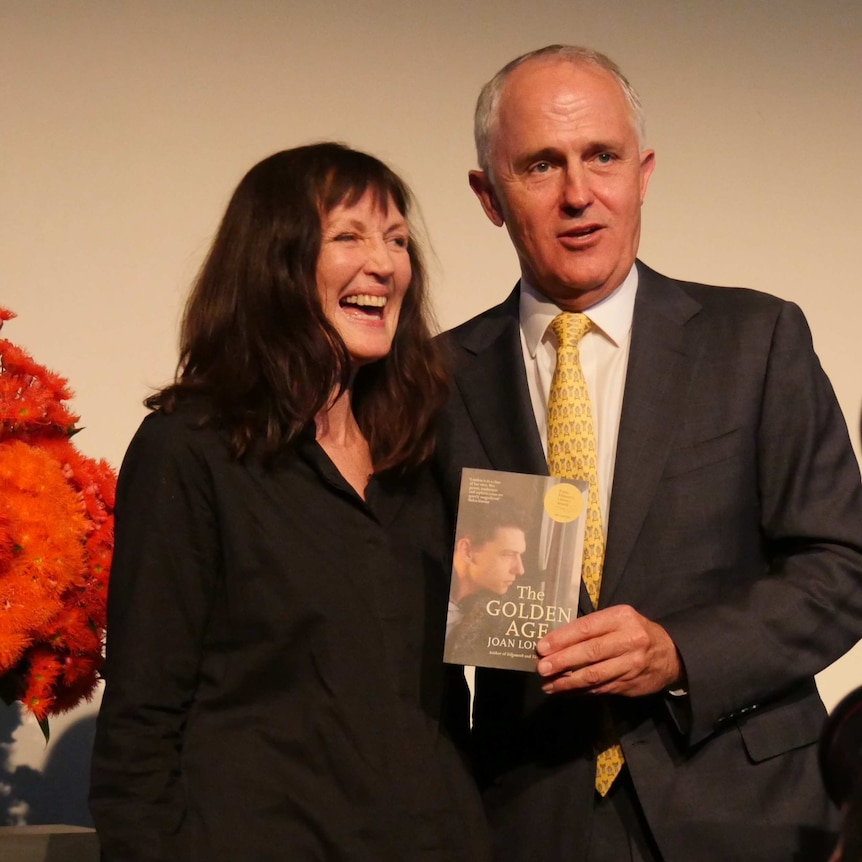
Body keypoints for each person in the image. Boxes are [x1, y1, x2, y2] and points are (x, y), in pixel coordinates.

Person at [434, 44, 862, 861]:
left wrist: (677, 654)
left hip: (744, 810)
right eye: (540, 166)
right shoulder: (434, 382)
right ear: (489, 196)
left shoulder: (756, 340)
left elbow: (843, 566)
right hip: (528, 816)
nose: (579, 195)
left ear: (644, 170)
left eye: (603, 156)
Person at [89, 143, 490, 861]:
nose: (386, 263)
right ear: (275, 261)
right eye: (350, 236)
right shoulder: (191, 450)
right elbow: (140, 725)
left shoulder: (420, 455)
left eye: (397, 240)